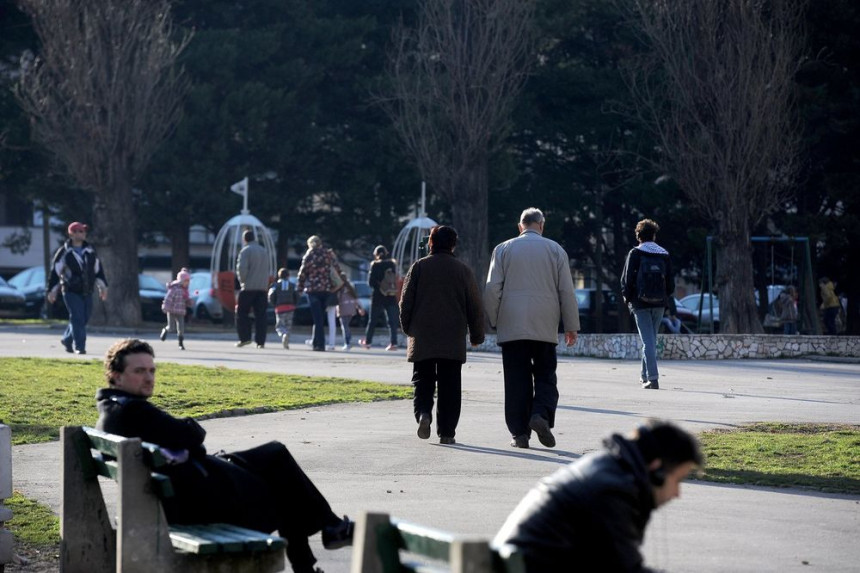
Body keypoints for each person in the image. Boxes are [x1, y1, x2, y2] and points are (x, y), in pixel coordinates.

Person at [96, 339, 353, 573]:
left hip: (181, 496)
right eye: (139, 371)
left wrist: (186, 440)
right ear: (116, 376)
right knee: (284, 484)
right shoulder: (134, 411)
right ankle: (322, 541)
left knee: (275, 455)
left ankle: (325, 535)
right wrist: (188, 436)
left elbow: (186, 440)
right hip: (197, 506)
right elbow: (193, 436)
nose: (149, 378)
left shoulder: (112, 410)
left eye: (152, 370)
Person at [493, 419, 704, 572]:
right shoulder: (612, 490)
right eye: (677, 480)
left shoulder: (611, 471)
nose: (677, 493)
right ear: (657, 471)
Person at [484, 208, 580, 449]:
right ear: (541, 225)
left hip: (512, 324)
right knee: (546, 374)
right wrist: (571, 326)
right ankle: (541, 414)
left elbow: (492, 289)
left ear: (520, 226)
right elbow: (566, 291)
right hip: (545, 324)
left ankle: (520, 434)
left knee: (516, 379)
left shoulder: (503, 249)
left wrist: (495, 319)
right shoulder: (556, 250)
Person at [399, 225, 485, 444]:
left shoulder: (419, 267)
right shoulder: (463, 270)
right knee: (450, 386)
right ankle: (447, 433)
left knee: (422, 380)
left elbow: (405, 302)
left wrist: (409, 328)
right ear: (453, 244)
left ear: (431, 243)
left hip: (423, 336)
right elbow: (474, 306)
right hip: (452, 337)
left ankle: (423, 414)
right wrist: (476, 335)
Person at [620, 219, 675, 390]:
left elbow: (627, 279)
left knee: (647, 341)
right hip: (660, 303)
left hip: (640, 302)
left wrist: (627, 298)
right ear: (654, 235)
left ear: (638, 236)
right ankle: (644, 375)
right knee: (651, 340)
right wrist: (665, 297)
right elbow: (671, 284)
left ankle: (653, 378)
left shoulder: (635, 253)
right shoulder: (664, 254)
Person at [47, 221, 108, 355]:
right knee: (77, 317)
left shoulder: (90, 251)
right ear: (71, 233)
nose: (80, 234)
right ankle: (80, 346)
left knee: (84, 317)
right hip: (70, 290)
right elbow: (55, 272)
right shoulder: (64, 252)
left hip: (87, 290)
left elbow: (98, 270)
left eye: (82, 231)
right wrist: (52, 291)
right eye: (77, 231)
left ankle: (67, 339)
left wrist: (103, 287)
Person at [296, 236, 345, 351]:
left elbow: (302, 274)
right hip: (326, 290)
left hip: (313, 291)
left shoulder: (309, 255)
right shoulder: (329, 255)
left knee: (317, 319)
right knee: (320, 318)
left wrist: (299, 290)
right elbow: (338, 270)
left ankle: (320, 344)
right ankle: (316, 342)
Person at [359, 245, 400, 351]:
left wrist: (379, 286)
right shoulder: (392, 264)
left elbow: (370, 282)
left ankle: (368, 342)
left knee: (372, 320)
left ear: (376, 255)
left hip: (378, 296)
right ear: (386, 253)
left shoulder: (375, 265)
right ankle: (393, 343)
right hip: (390, 295)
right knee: (392, 321)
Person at [235, 230, 270, 348]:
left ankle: (245, 338)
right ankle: (260, 342)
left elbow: (242, 269)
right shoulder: (263, 251)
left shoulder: (245, 251)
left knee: (242, 313)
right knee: (261, 315)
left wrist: (242, 281)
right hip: (262, 287)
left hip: (249, 287)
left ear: (245, 239)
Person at [160, 268, 192, 350]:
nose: (187, 283)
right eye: (186, 281)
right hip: (171, 311)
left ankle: (180, 344)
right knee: (171, 327)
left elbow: (186, 300)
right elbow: (168, 299)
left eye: (188, 281)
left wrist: (189, 302)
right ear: (181, 281)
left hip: (180, 311)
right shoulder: (174, 289)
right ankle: (165, 330)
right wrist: (165, 307)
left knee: (181, 329)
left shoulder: (186, 291)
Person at [268, 268, 298, 349]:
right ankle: (287, 339)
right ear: (288, 276)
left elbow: (271, 296)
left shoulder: (275, 285)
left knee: (280, 326)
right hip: (290, 307)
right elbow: (297, 295)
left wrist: (274, 304)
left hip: (280, 307)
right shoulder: (293, 285)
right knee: (288, 325)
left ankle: (283, 334)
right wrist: (295, 304)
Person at [336, 280, 365, 351]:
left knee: (344, 327)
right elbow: (356, 301)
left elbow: (337, 301)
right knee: (346, 326)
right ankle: (348, 340)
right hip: (351, 311)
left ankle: (347, 342)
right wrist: (360, 308)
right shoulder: (351, 290)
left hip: (343, 311)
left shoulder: (340, 290)